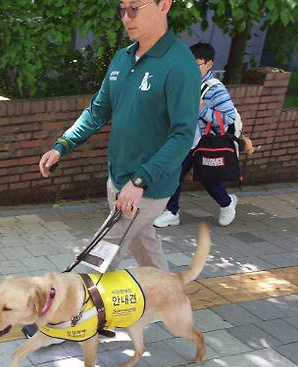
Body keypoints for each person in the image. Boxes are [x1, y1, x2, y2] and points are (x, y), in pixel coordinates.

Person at [23, 0, 200, 340]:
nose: (126, 18)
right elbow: (97, 110)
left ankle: (59, 322)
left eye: (135, 8)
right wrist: (62, 145)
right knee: (144, 247)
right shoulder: (122, 59)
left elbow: (182, 136)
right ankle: (170, 300)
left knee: (101, 253)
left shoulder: (180, 66)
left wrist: (140, 180)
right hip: (118, 180)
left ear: (164, 4)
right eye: (121, 9)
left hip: (145, 189)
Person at [154, 42, 239, 228]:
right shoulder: (183, 83)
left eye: (197, 64)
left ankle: (227, 204)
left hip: (204, 142)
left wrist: (202, 109)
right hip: (182, 140)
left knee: (210, 180)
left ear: (209, 64)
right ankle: (172, 212)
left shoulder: (215, 89)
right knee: (173, 176)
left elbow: (229, 117)